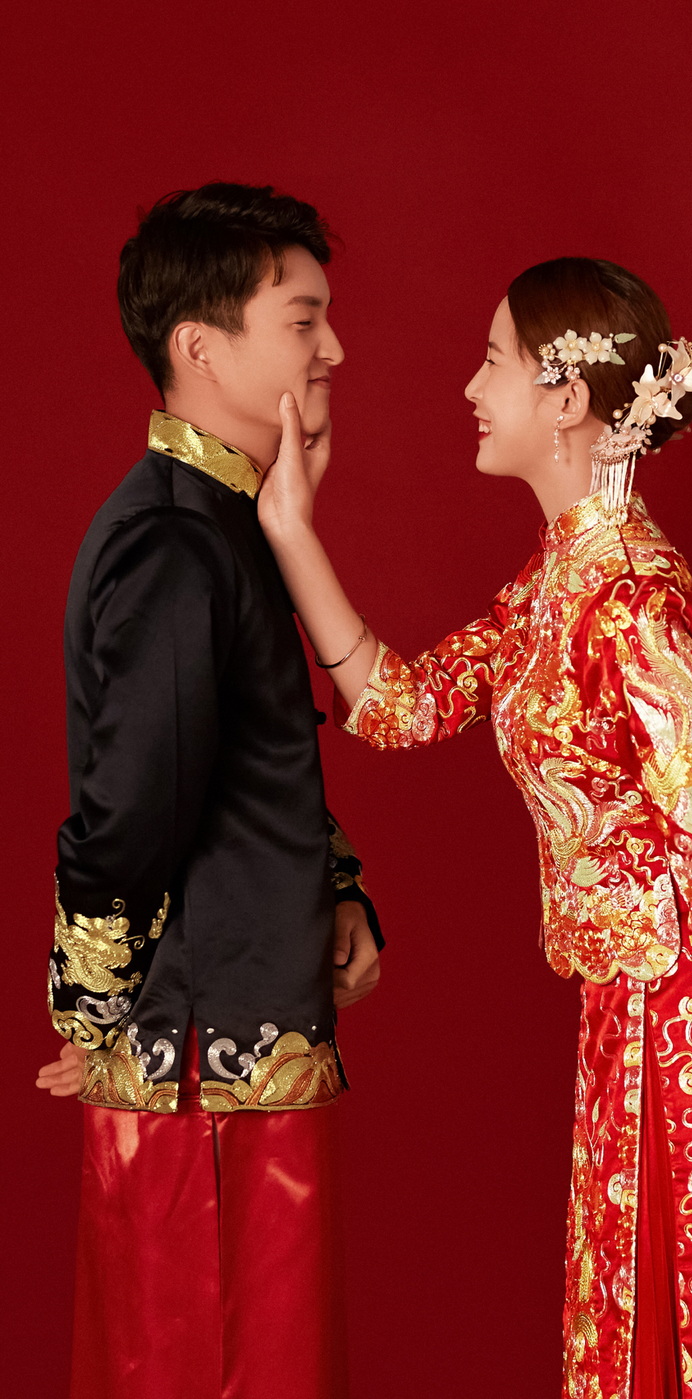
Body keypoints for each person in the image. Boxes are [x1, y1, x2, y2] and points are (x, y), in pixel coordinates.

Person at [259, 257, 692, 1398]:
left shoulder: (632, 594)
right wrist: (292, 529)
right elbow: (401, 706)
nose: (470, 388)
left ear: (568, 398)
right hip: (629, 1017)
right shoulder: (559, 578)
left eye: (493, 360)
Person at [35, 183, 382, 1399]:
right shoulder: (176, 540)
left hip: (238, 1041)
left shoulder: (230, 520)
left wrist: (336, 889)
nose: (333, 348)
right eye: (303, 320)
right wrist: (90, 1014)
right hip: (199, 1066)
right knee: (211, 1367)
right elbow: (133, 810)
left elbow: (245, 757)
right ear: (200, 346)